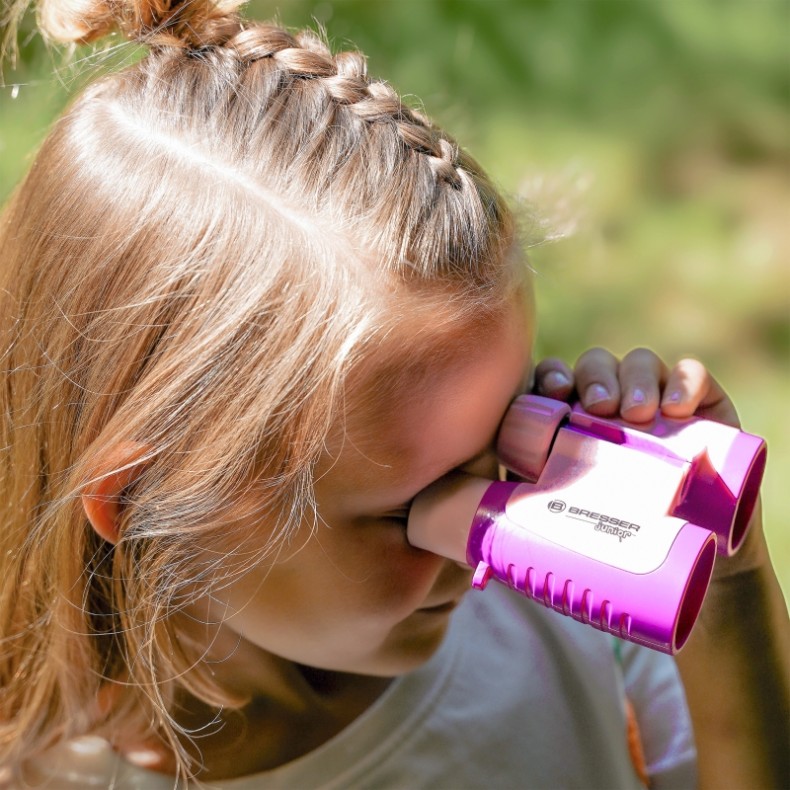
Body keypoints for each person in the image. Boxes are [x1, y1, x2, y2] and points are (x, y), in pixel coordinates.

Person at [1, 1, 787, 787]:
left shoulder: (548, 602)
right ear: (145, 501)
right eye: (410, 511)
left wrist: (723, 570)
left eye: (509, 436)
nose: (483, 539)